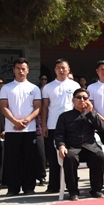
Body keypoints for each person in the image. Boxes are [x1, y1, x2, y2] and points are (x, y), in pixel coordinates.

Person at [54, 88, 104, 200]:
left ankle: (96, 190)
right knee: (69, 158)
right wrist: (61, 146)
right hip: (73, 147)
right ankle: (73, 191)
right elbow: (59, 134)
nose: (82, 100)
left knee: (99, 156)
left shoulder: (92, 114)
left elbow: (101, 128)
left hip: (90, 147)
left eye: (85, 98)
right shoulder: (64, 116)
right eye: (79, 97)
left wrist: (90, 113)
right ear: (73, 100)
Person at [0, 58, 42, 196]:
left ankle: (29, 187)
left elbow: (38, 108)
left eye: (23, 68)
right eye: (18, 68)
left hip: (29, 129)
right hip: (12, 129)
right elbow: (3, 107)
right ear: (14, 70)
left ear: (28, 70)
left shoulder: (34, 88)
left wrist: (26, 120)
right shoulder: (6, 88)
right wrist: (14, 121)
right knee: (12, 160)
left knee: (29, 159)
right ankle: (13, 188)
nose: (21, 71)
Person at [41, 59, 81, 193]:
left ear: (68, 69)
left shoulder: (75, 85)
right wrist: (44, 125)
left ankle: (72, 185)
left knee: (70, 155)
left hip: (71, 125)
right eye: (58, 68)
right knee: (53, 157)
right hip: (53, 124)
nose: (61, 70)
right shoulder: (48, 87)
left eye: (64, 67)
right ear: (55, 70)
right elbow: (45, 107)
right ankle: (53, 185)